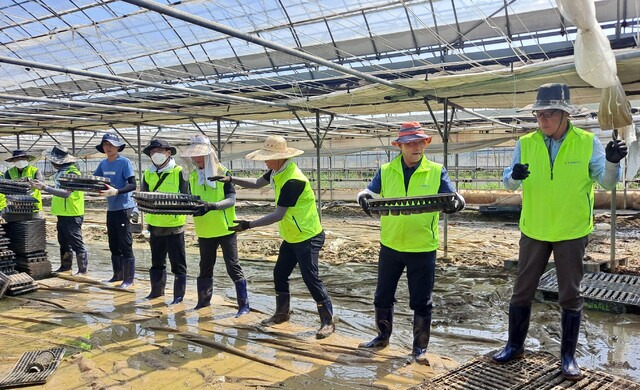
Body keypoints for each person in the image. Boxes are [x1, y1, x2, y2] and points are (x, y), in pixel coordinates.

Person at [494, 83, 627, 380]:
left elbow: (606, 183)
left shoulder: (586, 141)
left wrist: (612, 162)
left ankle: (567, 356)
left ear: (565, 114)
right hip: (534, 228)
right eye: (538, 115)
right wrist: (512, 176)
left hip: (571, 229)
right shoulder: (526, 142)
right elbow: (509, 183)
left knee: (570, 294)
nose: (542, 120)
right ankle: (514, 345)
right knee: (522, 290)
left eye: (549, 114)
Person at [356, 121, 464, 363]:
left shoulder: (436, 170)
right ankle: (382, 337)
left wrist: (457, 203)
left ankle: (419, 347)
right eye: (411, 143)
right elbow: (369, 192)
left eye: (420, 142)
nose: (417, 147)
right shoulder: (386, 170)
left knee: (421, 300)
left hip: (422, 247)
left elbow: (452, 196)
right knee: (382, 296)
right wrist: (362, 197)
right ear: (400, 146)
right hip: (391, 244)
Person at [211, 135, 334, 338]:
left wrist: (248, 225)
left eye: (267, 158)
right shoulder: (277, 171)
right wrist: (231, 179)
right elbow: (257, 183)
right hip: (292, 235)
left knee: (310, 277)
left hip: (308, 236)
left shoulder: (293, 180)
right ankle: (281, 313)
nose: (265, 162)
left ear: (279, 157)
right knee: (280, 274)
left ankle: (327, 321)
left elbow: (278, 214)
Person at [182, 135, 250, 316]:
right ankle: (203, 302)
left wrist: (213, 206)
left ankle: (243, 305)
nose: (196, 159)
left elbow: (231, 199)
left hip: (225, 228)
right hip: (204, 229)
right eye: (194, 156)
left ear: (209, 154)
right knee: (205, 266)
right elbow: (193, 199)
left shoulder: (222, 172)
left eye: (200, 155)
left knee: (232, 266)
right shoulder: (194, 176)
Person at [141, 139, 189, 304]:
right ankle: (156, 292)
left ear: (169, 152)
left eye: (160, 151)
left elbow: (186, 197)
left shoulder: (179, 172)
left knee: (178, 264)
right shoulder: (148, 173)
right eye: (153, 151)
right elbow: (143, 196)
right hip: (155, 225)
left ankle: (178, 297)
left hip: (174, 226)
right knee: (157, 262)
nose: (156, 154)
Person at [30, 146, 87, 274]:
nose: (52, 163)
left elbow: (66, 194)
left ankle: (83, 270)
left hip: (72, 213)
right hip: (62, 213)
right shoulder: (61, 173)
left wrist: (44, 187)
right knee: (63, 241)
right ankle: (66, 267)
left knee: (76, 242)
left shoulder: (72, 174)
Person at [94, 133, 137, 288]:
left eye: (111, 145)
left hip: (124, 207)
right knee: (113, 243)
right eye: (105, 145)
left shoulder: (124, 162)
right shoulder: (103, 164)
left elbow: (133, 184)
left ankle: (128, 279)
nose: (108, 147)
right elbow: (96, 180)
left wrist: (117, 191)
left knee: (125, 243)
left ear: (118, 147)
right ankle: (117, 275)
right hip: (111, 208)